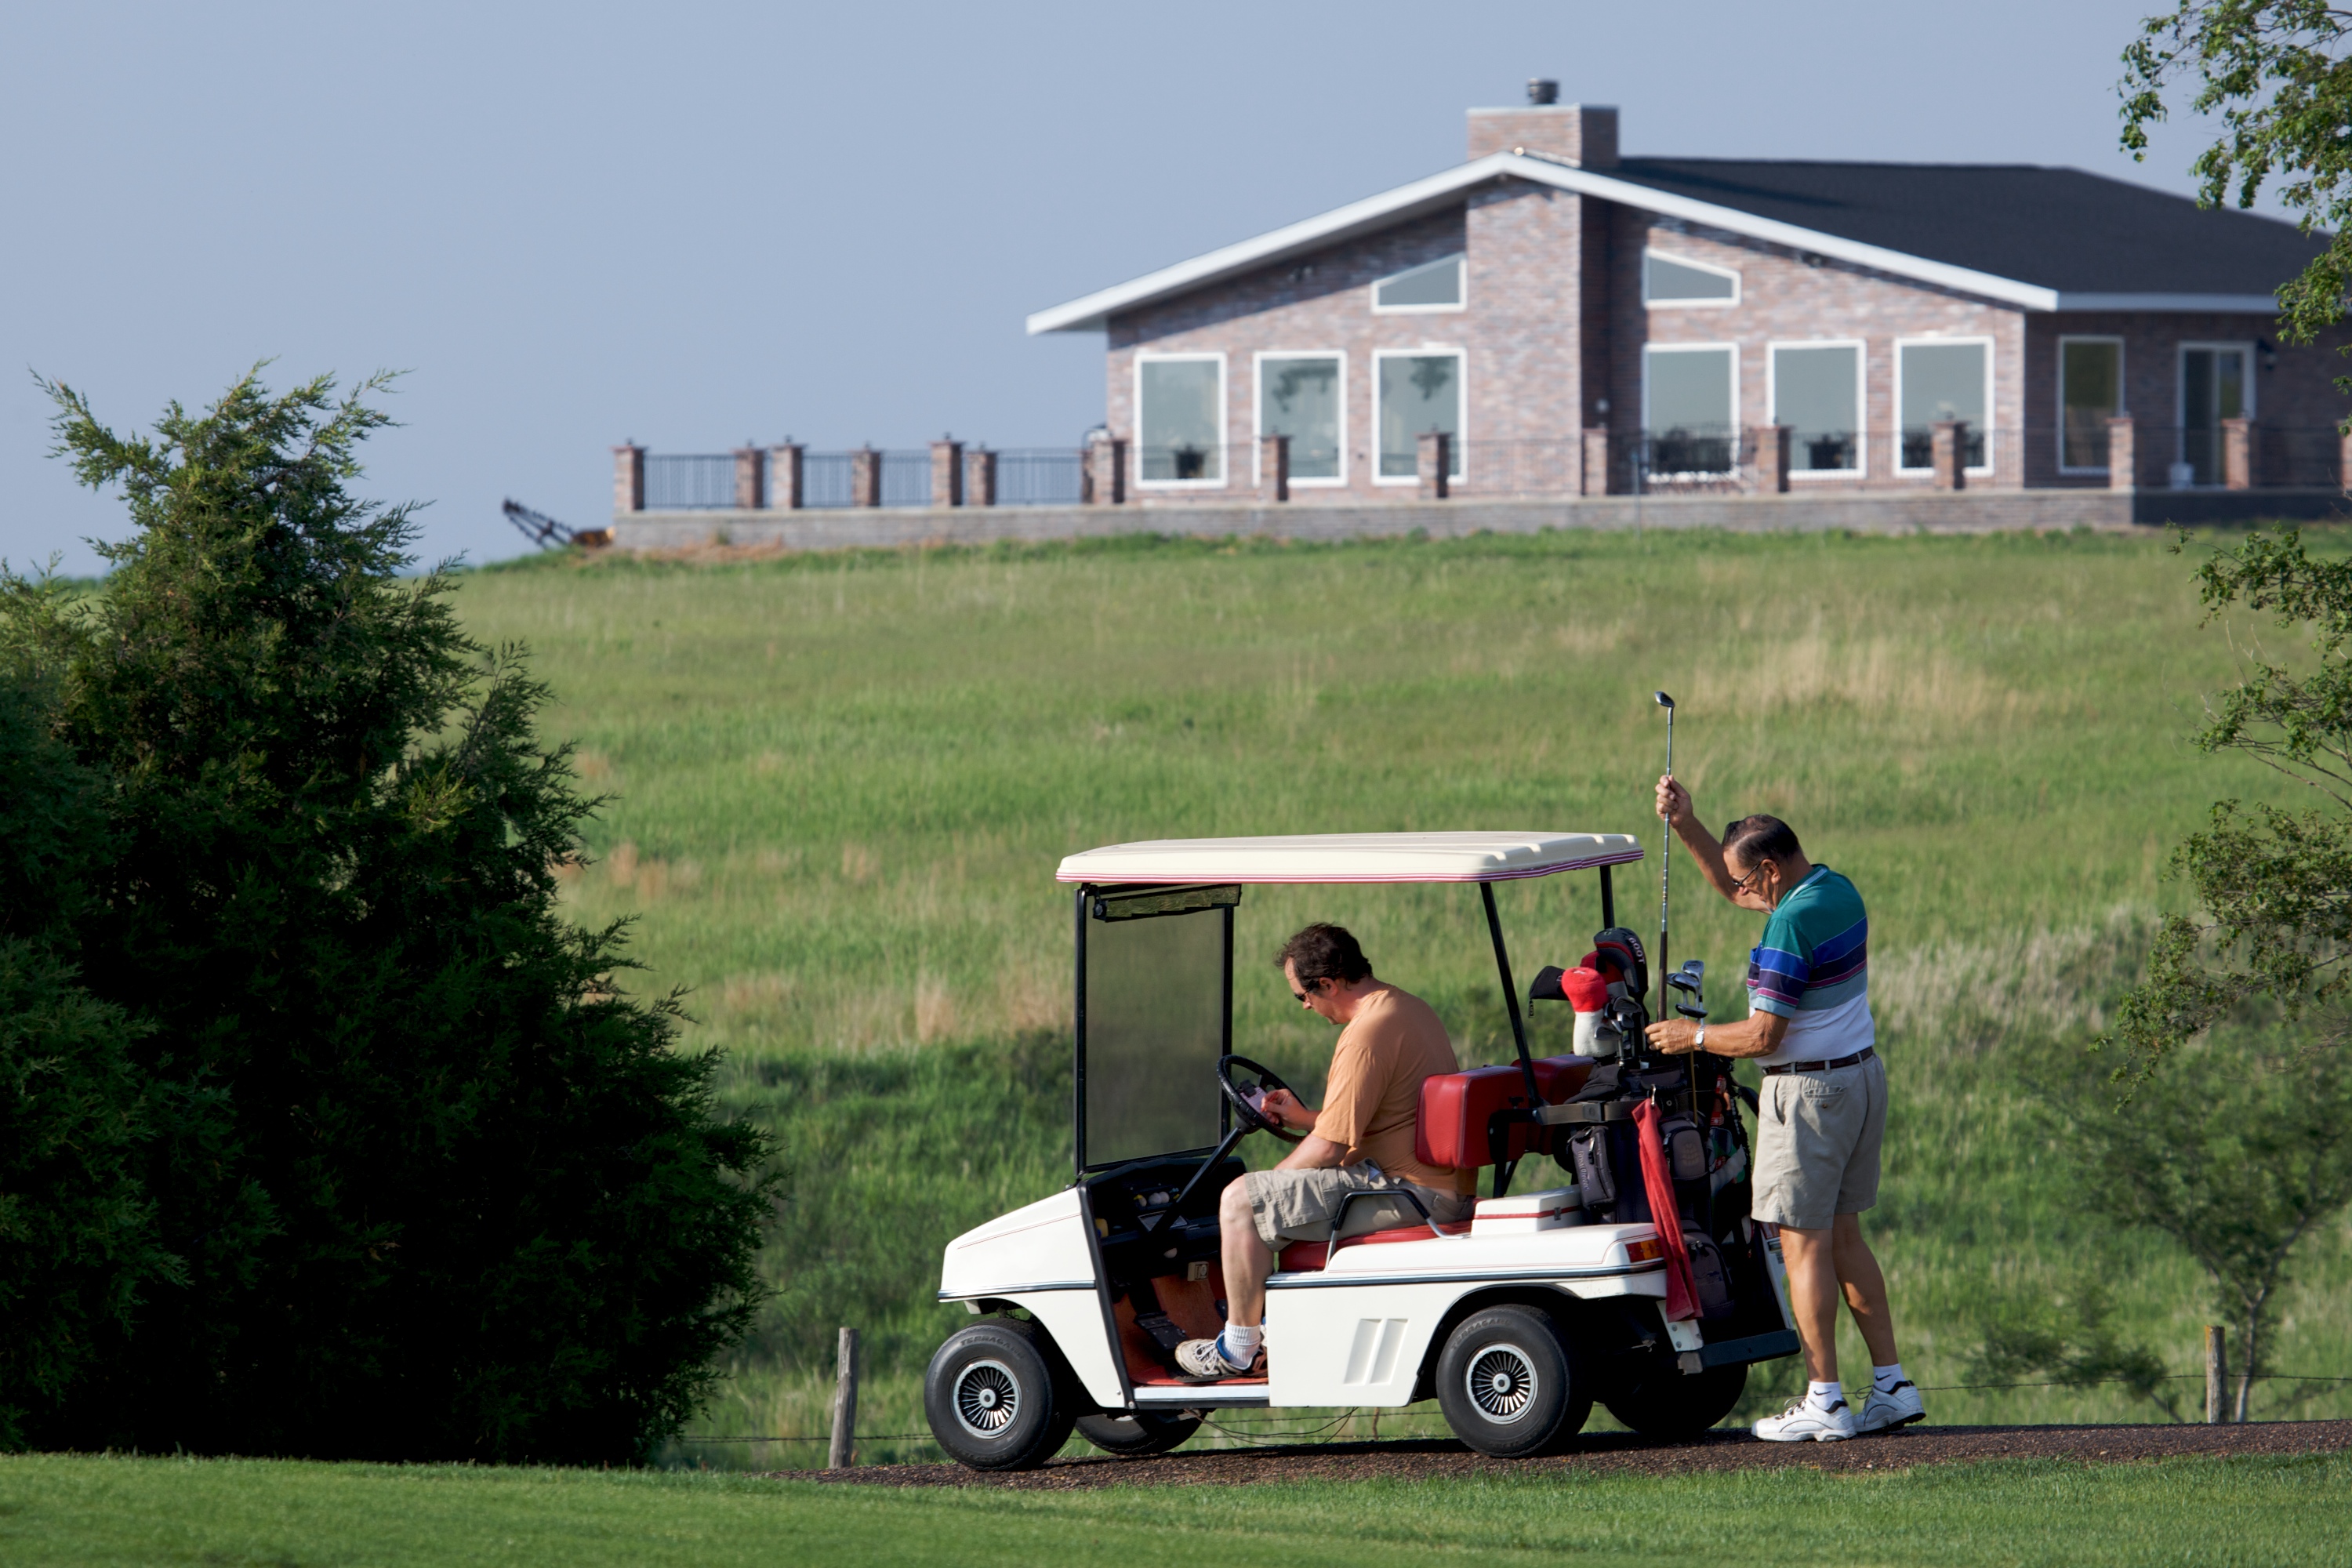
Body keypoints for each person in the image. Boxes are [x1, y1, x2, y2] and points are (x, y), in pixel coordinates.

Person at [1642, 778, 1924, 1442]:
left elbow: (1763, 1037)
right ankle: (1892, 1386)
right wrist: (1687, 824)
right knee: (1846, 1238)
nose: (1742, 895)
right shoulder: (1833, 889)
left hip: (1808, 1096)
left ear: (1771, 870)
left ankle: (1825, 1399)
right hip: (1860, 1079)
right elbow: (1731, 885)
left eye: (1749, 882)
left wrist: (1694, 1036)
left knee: (1802, 1246)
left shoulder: (1789, 922)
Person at [1174, 924, 1472, 1381]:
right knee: (1262, 1196)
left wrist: (1268, 1186)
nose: (1306, 1006)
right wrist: (1303, 1116)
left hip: (1408, 1192)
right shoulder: (1407, 1008)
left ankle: (1238, 1350)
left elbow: (1332, 1147)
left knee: (1240, 1202)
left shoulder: (1364, 1035)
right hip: (1431, 1183)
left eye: (1303, 996)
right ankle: (1276, 1324)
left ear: (1328, 984)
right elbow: (1369, 1119)